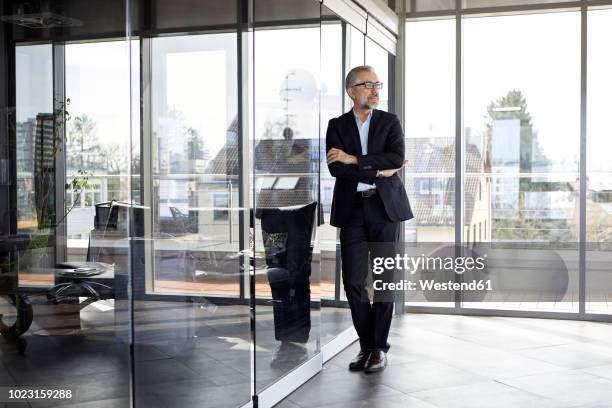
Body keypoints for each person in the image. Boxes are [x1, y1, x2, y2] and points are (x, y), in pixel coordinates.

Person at [326, 65, 413, 373]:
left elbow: (396, 158)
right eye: (368, 85)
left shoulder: (390, 122)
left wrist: (356, 159)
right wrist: (378, 170)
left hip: (384, 208)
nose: (375, 90)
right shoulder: (336, 125)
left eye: (378, 84)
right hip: (352, 211)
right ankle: (367, 346)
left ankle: (378, 349)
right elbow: (337, 169)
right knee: (352, 282)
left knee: (385, 281)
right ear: (352, 91)